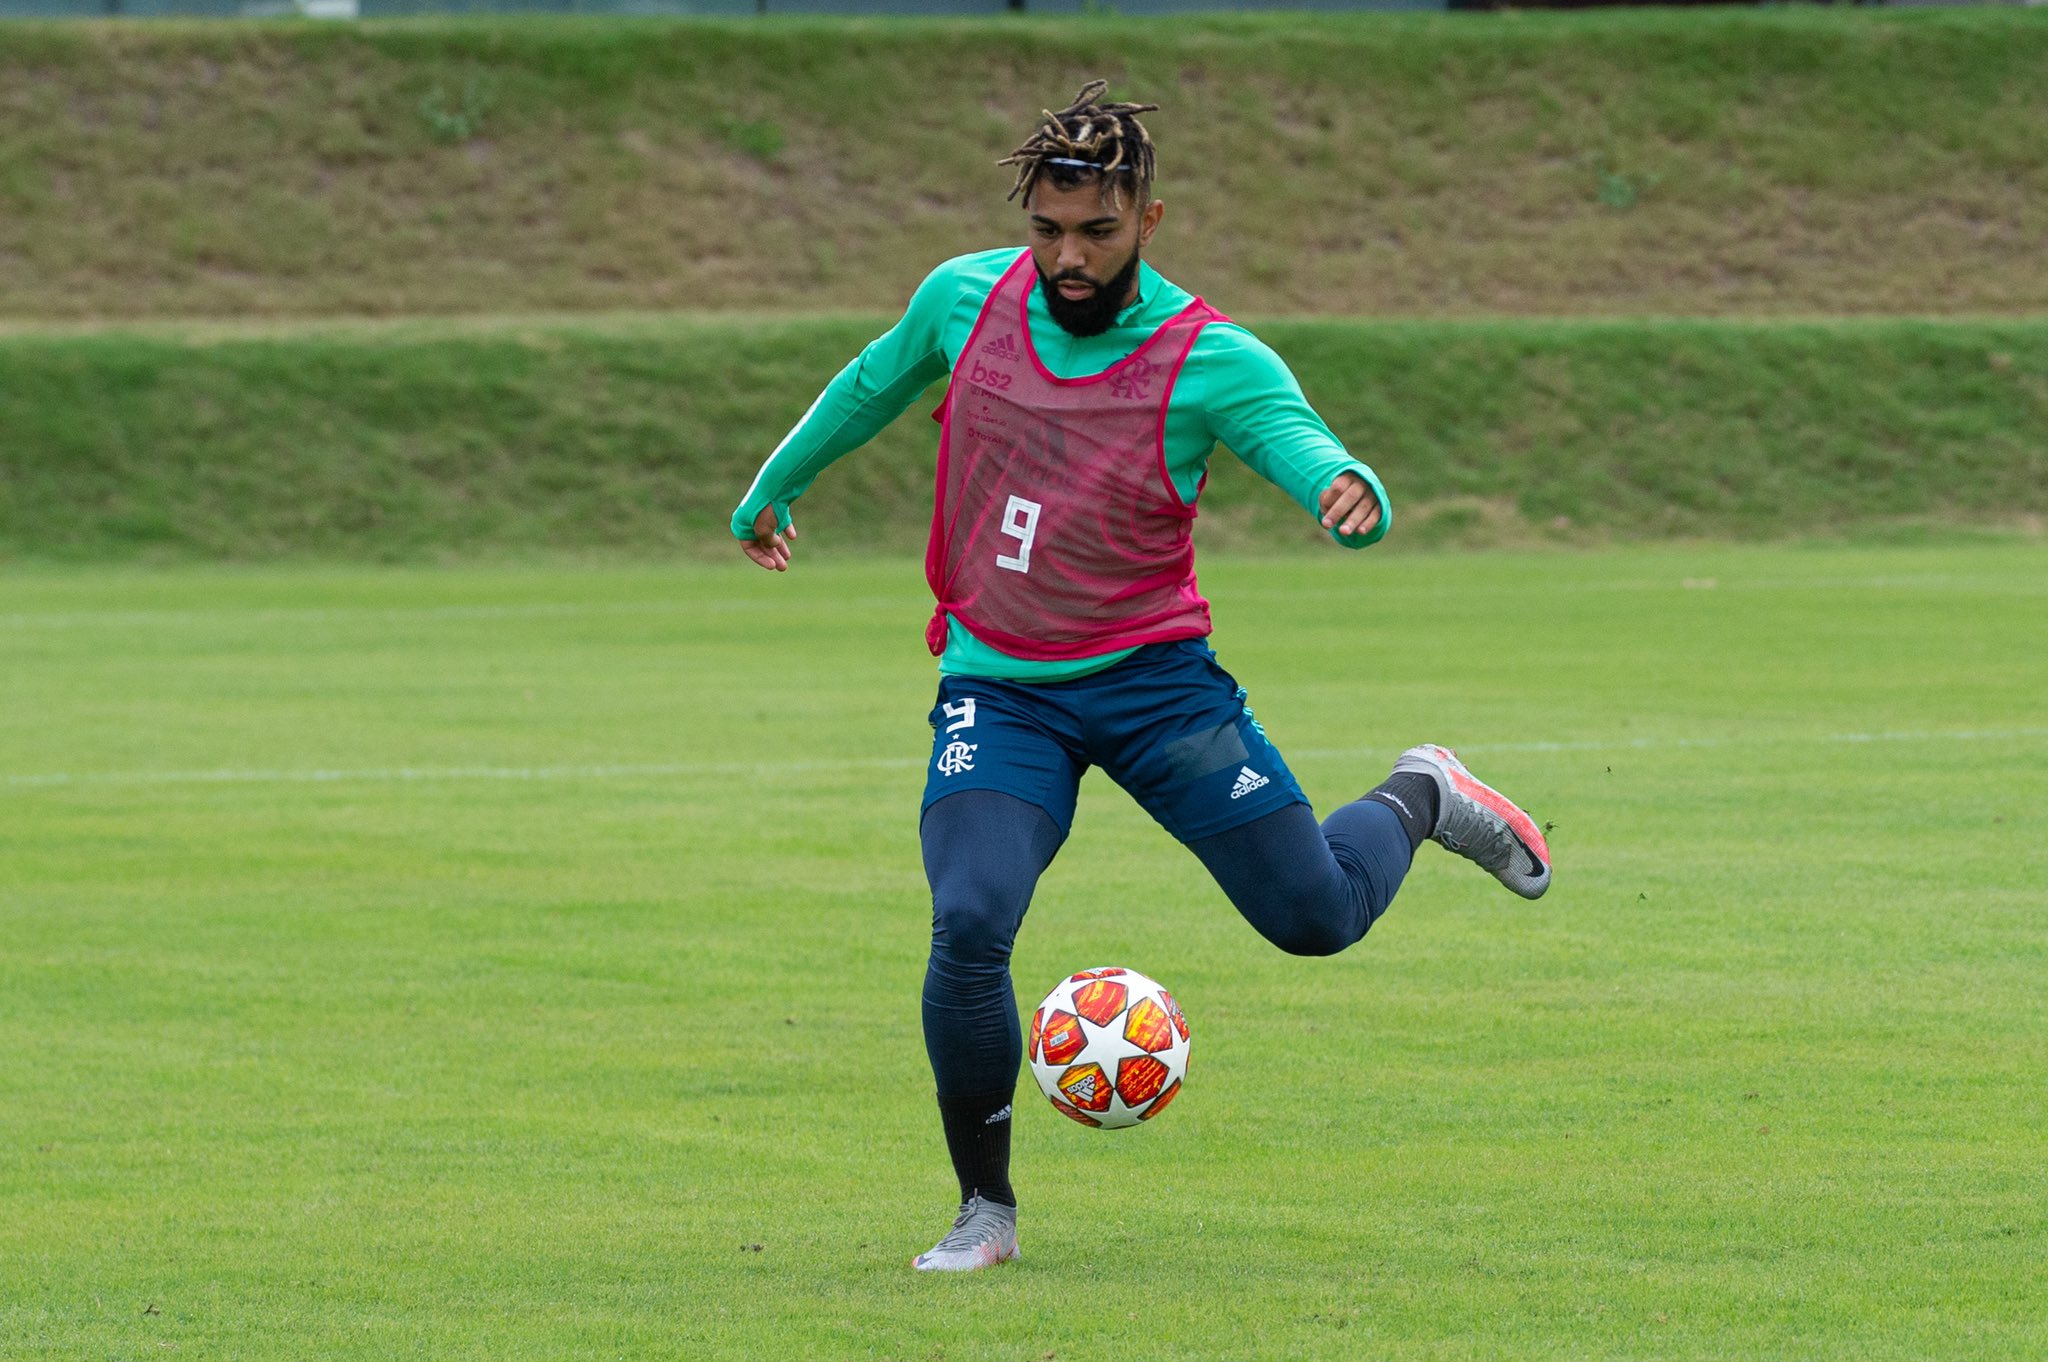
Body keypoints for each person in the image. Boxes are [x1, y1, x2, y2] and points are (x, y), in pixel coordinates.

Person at [731, 81, 1551, 1274]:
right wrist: (772, 488)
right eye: (1048, 231)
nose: (1069, 258)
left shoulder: (1207, 358)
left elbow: (1301, 442)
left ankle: (1420, 795)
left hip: (1155, 688)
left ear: (1147, 222)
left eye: (1097, 234)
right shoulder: (961, 299)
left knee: (1313, 919)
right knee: (967, 920)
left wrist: (1348, 493)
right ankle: (985, 1212)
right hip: (999, 690)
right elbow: (868, 386)